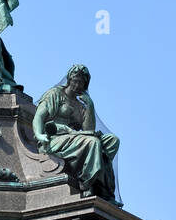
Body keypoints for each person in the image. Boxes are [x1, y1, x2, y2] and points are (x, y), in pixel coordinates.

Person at [32, 64, 119, 200]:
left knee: (112, 141)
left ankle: (100, 182)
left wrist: (89, 106)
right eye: (75, 80)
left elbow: (88, 130)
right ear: (69, 79)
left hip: (73, 138)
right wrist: (38, 134)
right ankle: (87, 184)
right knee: (93, 142)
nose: (78, 85)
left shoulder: (80, 105)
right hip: (54, 137)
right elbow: (39, 116)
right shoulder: (55, 94)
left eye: (82, 83)